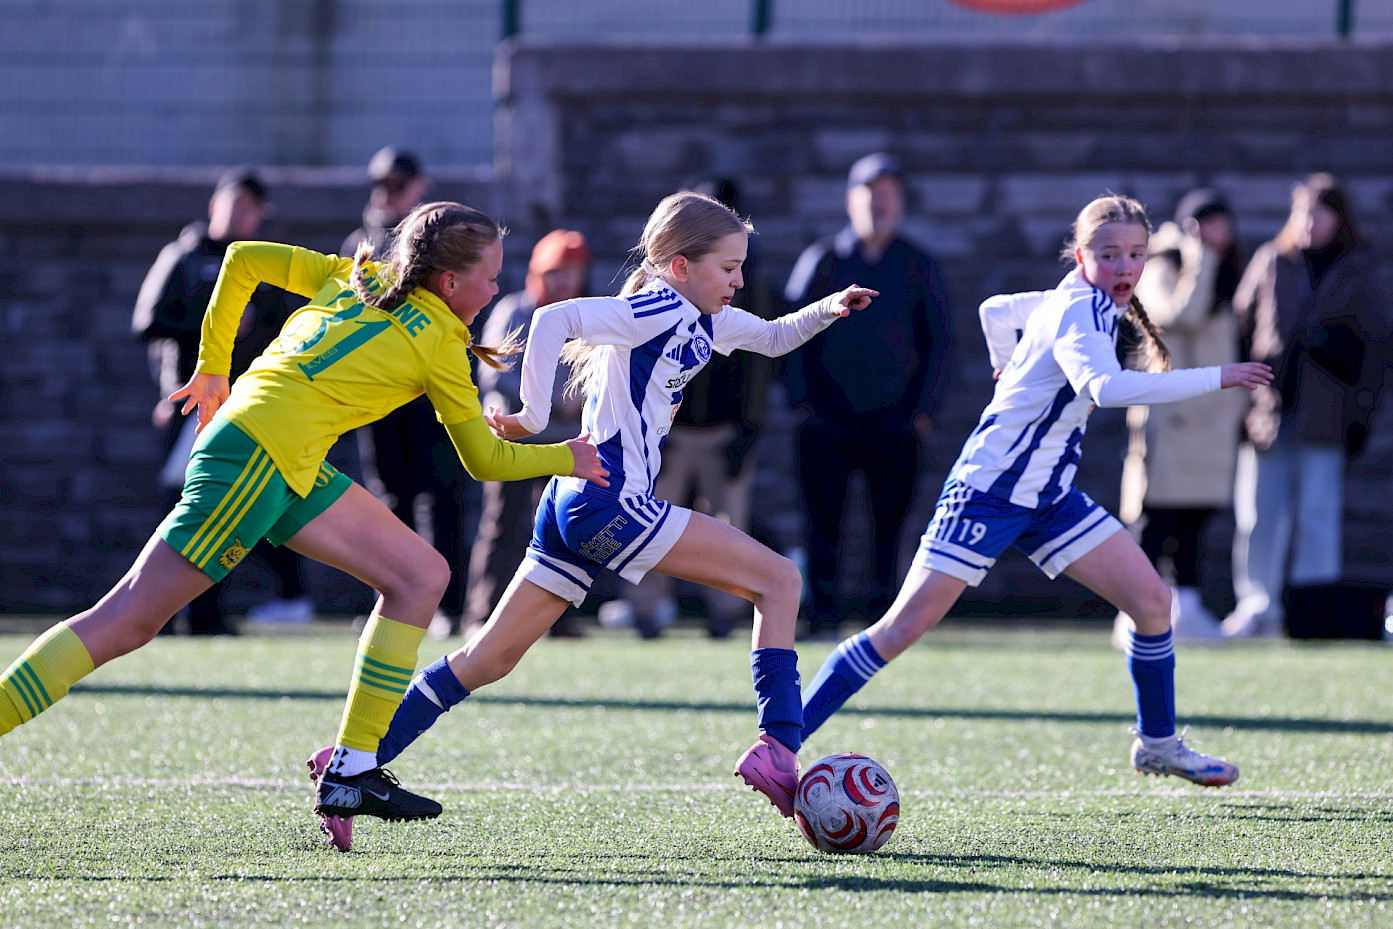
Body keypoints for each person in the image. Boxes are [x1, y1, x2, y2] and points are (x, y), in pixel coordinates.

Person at [0, 201, 607, 844]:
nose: (495, 288)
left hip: (283, 457)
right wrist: (564, 456)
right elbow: (484, 462)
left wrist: (214, 368)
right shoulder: (437, 340)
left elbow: (241, 260)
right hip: (258, 458)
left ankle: (351, 770)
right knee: (127, 618)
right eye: (490, 276)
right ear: (450, 282)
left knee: (419, 575)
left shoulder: (360, 275)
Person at [305, 190, 878, 851]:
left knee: (487, 657)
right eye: (728, 267)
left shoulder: (699, 318)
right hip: (611, 500)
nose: (740, 280)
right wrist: (532, 416)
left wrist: (831, 308)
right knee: (779, 580)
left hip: (572, 502)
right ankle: (778, 749)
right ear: (680, 266)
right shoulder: (657, 308)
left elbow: (774, 338)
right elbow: (551, 318)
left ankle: (351, 760)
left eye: (741, 266)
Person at [797, 194, 1273, 787]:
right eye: (1109, 254)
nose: (1125, 266)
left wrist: (1005, 365)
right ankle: (781, 741)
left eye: (1135, 254)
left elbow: (995, 310)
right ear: (1081, 255)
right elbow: (1105, 388)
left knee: (1153, 603)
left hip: (1048, 497)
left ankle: (1157, 745)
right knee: (899, 630)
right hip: (989, 491)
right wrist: (1217, 377)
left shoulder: (1074, 299)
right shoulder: (1080, 309)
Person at [783, 152, 952, 639]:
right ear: (849, 201)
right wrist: (801, 402)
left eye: (889, 195)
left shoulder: (917, 264)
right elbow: (791, 331)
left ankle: (883, 621)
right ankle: (823, 614)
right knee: (822, 526)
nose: (880, 204)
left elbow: (940, 342)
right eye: (870, 194)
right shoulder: (823, 261)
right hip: (826, 421)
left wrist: (924, 411)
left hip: (896, 422)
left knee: (890, 529)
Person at [1223, 174, 1389, 638]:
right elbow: (1241, 326)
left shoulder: (1357, 268)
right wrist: (1245, 394)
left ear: (1339, 219)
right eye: (1302, 213)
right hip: (1268, 412)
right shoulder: (1272, 260)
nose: (1309, 223)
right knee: (1259, 514)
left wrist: (1360, 413)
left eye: (1319, 214)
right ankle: (1258, 606)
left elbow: (1376, 347)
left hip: (1327, 415)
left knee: (1318, 515)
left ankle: (1313, 609)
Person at [616, 178, 779, 640]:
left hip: (726, 427)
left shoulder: (751, 282)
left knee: (731, 527)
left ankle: (725, 614)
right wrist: (652, 431)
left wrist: (749, 429)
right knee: (646, 520)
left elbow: (763, 361)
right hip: (670, 430)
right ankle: (646, 611)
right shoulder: (661, 290)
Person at [132, 166, 291, 635]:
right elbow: (148, 322)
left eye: (252, 207)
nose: (242, 214)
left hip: (243, 409)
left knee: (228, 509)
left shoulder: (262, 263)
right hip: (192, 405)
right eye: (236, 203)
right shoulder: (184, 256)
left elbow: (284, 330)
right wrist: (216, 325)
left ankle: (206, 614)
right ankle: (157, 613)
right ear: (214, 205)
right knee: (182, 505)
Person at [344, 148, 472, 639]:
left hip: (429, 390)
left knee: (443, 497)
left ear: (419, 188)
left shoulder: (443, 241)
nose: (386, 194)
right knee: (388, 500)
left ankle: (448, 607)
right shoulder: (361, 243)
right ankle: (391, 600)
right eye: (381, 184)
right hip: (381, 394)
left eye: (397, 185)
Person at [1112, 188, 1247, 644]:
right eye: (1208, 225)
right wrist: (1199, 257)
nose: (1218, 235)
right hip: (1171, 419)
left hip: (1212, 421)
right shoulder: (1161, 265)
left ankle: (1187, 609)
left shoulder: (1229, 268)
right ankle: (1134, 612)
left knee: (1196, 521)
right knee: (1157, 520)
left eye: (1223, 225)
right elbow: (1182, 313)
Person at [463, 229, 592, 640]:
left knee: (563, 530)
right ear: (539, 272)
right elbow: (493, 372)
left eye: (573, 271)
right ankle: (481, 616)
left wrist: (582, 397)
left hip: (566, 441)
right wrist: (550, 399)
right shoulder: (514, 311)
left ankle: (556, 618)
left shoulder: (586, 315)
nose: (565, 281)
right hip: (514, 439)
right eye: (556, 272)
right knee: (501, 527)